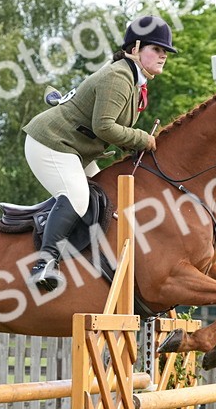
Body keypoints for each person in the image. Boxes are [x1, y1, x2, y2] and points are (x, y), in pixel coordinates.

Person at [21, 15, 175, 291]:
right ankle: (44, 263)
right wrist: (142, 139)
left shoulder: (133, 79)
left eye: (165, 52)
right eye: (157, 49)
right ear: (136, 48)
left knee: (108, 197)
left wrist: (134, 142)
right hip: (51, 144)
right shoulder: (119, 76)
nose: (163, 56)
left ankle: (93, 262)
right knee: (78, 198)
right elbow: (104, 127)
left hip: (76, 150)